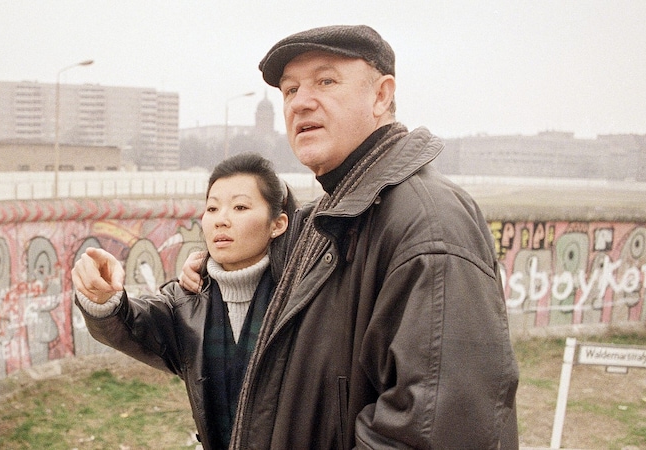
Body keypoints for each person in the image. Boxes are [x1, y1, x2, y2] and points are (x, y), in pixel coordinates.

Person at [180, 25, 519, 449]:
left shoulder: (429, 224)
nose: (301, 102)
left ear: (381, 96)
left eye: (326, 81)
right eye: (290, 90)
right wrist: (210, 265)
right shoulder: (332, 215)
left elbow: (433, 431)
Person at [72, 152, 297, 449]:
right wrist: (103, 299)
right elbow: (133, 325)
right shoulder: (189, 301)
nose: (222, 220)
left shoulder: (304, 295)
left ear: (277, 224)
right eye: (212, 208)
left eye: (240, 207)